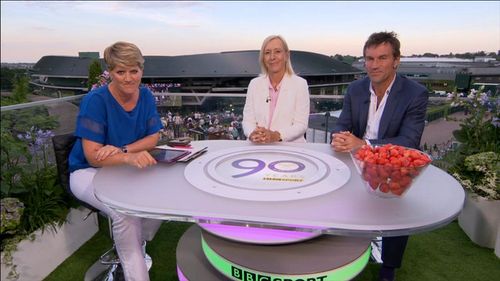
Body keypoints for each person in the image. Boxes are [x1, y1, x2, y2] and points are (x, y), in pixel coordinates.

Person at [331, 32, 428, 281]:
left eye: (382, 58)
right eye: (369, 58)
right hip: (355, 161)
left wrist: (364, 144)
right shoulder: (355, 88)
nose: (374, 65)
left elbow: (408, 142)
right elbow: (342, 124)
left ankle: (389, 268)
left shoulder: (414, 93)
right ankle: (345, 252)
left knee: (396, 209)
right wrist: (340, 137)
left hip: (391, 166)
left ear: (396, 60)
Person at [69, 41, 163, 281]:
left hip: (122, 167)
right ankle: (135, 272)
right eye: (120, 71)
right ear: (110, 72)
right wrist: (128, 157)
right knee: (125, 213)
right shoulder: (96, 100)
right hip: (86, 172)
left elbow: (154, 137)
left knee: (162, 195)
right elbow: (93, 156)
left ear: (142, 70)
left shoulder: (146, 96)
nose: (128, 78)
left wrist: (123, 150)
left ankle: (137, 243)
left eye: (134, 71)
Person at [242, 35, 310, 143]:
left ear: (286, 55)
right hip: (258, 146)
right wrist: (252, 133)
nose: (272, 57)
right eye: (267, 53)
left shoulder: (300, 84)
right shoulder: (254, 84)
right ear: (263, 58)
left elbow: (301, 125)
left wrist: (276, 135)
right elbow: (247, 121)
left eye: (277, 51)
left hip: (290, 149)